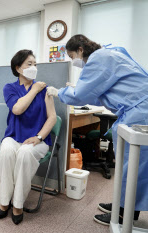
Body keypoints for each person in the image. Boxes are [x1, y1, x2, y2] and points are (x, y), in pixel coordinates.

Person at [47, 34, 148, 225]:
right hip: (139, 108)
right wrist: (75, 90)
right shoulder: (109, 53)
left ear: (80, 50)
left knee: (133, 166)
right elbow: (96, 95)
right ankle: (123, 205)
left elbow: (81, 97)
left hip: (141, 111)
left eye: (71, 56)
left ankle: (123, 214)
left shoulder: (98, 59)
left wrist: (61, 92)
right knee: (134, 165)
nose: (72, 61)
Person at [0, 49, 57, 225]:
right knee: (6, 151)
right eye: (29, 64)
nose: (34, 67)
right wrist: (34, 90)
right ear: (18, 68)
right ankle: (4, 201)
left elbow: (52, 117)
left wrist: (38, 137)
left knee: (25, 153)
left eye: (35, 64)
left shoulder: (45, 89)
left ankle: (18, 204)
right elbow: (17, 109)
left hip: (38, 140)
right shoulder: (10, 88)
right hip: (14, 137)